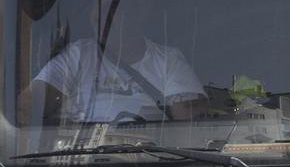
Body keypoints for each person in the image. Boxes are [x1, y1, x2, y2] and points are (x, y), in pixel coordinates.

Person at [22, 18, 207, 125]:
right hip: (79, 163)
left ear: (141, 11)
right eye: (98, 8)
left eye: (115, 8)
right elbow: (27, 108)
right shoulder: (78, 55)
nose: (103, 17)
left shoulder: (168, 60)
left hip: (152, 159)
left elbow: (189, 125)